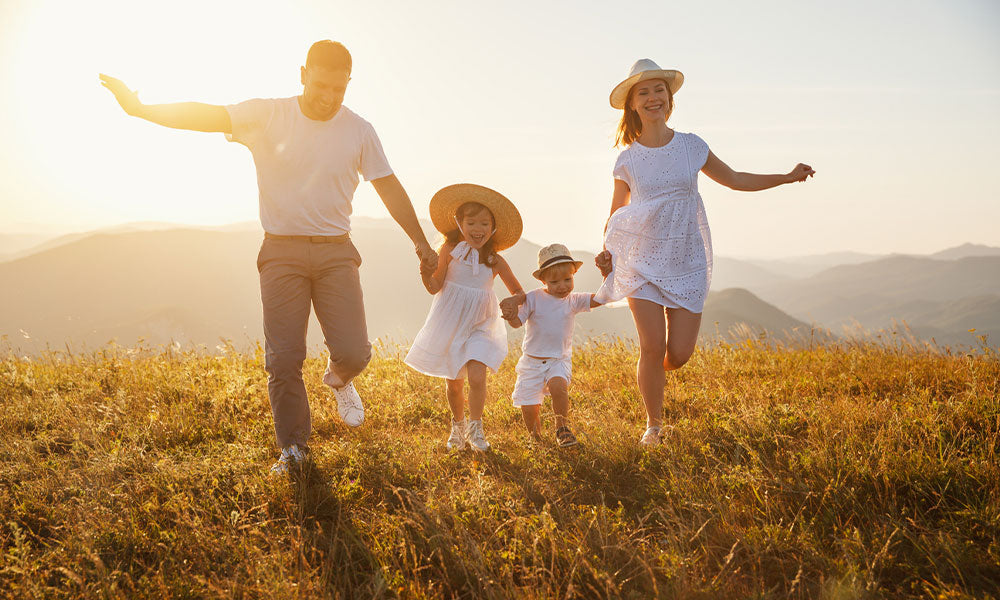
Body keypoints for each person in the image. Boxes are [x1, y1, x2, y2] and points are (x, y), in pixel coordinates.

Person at [99, 41, 439, 474]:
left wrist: (420, 243)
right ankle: (294, 449)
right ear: (302, 74)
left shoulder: (359, 130)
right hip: (280, 251)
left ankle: (339, 378)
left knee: (355, 352)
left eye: (340, 89)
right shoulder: (268, 114)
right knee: (283, 358)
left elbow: (388, 186)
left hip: (336, 251)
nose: (329, 97)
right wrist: (141, 109)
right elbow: (207, 115)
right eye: (321, 85)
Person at [594, 59, 815, 446]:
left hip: (686, 260)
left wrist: (787, 176)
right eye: (643, 92)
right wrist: (607, 252)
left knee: (677, 354)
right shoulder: (627, 158)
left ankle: (655, 374)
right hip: (642, 260)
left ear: (669, 97)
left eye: (658, 89)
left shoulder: (692, 146)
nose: (652, 97)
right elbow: (617, 213)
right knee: (651, 345)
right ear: (632, 104)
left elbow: (735, 179)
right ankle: (654, 426)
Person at [405, 184, 525, 452]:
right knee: (455, 384)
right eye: (472, 222)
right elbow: (435, 287)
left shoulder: (494, 260)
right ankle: (457, 427)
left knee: (478, 376)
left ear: (493, 228)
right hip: (451, 322)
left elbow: (519, 292)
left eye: (485, 223)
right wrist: (425, 273)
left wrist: (512, 301)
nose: (478, 228)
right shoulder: (449, 250)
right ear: (459, 223)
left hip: (482, 323)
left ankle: (476, 427)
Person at [500, 244, 605, 447]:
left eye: (568, 280)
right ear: (543, 280)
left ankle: (562, 428)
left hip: (558, 359)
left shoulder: (573, 300)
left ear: (574, 275)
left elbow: (599, 299)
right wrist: (511, 315)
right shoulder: (533, 298)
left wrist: (607, 276)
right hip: (532, 362)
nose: (562, 286)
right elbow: (516, 323)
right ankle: (535, 438)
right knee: (529, 408)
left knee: (559, 387)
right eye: (555, 281)